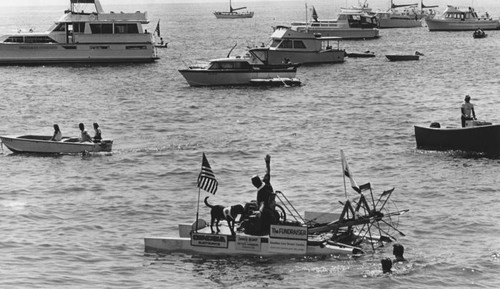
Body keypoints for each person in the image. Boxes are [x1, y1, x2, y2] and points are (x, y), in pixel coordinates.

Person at [250, 154, 279, 235]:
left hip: (265, 210)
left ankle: (241, 223)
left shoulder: (260, 193)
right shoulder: (266, 182)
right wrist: (267, 162)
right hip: (271, 205)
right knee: (252, 202)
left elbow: (262, 204)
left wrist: (259, 211)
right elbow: (267, 171)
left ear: (254, 184)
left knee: (248, 206)